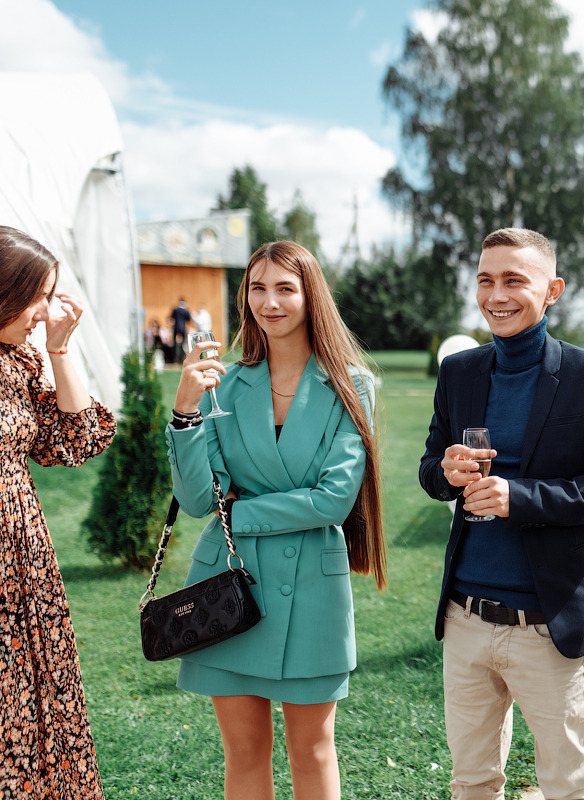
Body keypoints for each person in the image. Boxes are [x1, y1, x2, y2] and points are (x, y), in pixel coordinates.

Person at [419, 227, 584, 800]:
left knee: (567, 786)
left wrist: (522, 499)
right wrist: (444, 471)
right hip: (465, 620)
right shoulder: (460, 372)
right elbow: (430, 471)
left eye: (515, 280)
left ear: (553, 291)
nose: (497, 295)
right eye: (486, 280)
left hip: (548, 625)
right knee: (471, 782)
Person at [166, 240, 386, 800]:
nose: (270, 302)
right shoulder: (225, 384)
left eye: (285, 288)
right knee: (243, 755)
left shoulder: (353, 386)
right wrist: (186, 410)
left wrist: (237, 512)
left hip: (314, 589)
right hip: (226, 592)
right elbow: (197, 502)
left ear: (311, 296)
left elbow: (332, 501)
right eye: (257, 288)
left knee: (313, 753)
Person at [0, 226, 116, 798]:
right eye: (38, 296)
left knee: (29, 708)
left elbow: (75, 439)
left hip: (24, 571)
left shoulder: (16, 360)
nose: (47, 311)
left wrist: (59, 349)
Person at [169, 298, 193, 363]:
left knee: (174, 344)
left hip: (176, 328)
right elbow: (188, 319)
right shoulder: (185, 311)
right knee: (183, 344)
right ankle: (181, 359)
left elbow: (171, 318)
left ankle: (174, 359)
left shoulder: (175, 310)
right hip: (183, 329)